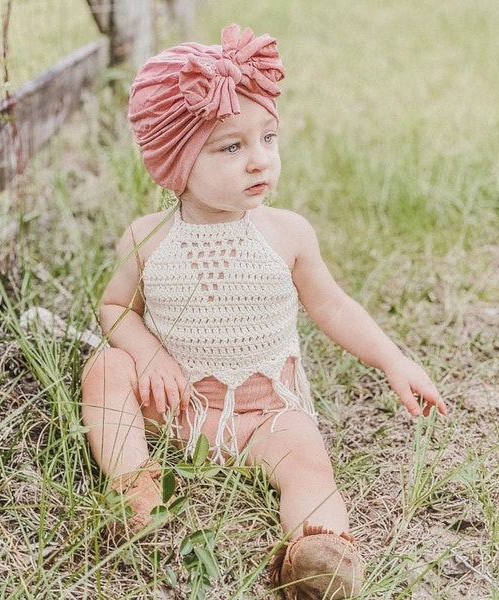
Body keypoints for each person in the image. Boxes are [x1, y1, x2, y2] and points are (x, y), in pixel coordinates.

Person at [81, 24, 447, 599]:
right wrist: (148, 355)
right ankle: (137, 494)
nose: (259, 161)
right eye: (232, 146)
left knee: (307, 461)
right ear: (177, 162)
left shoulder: (287, 234)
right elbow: (113, 306)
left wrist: (393, 362)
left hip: (264, 415)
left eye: (268, 139)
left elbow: (332, 305)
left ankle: (319, 550)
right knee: (105, 369)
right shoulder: (148, 237)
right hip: (175, 407)